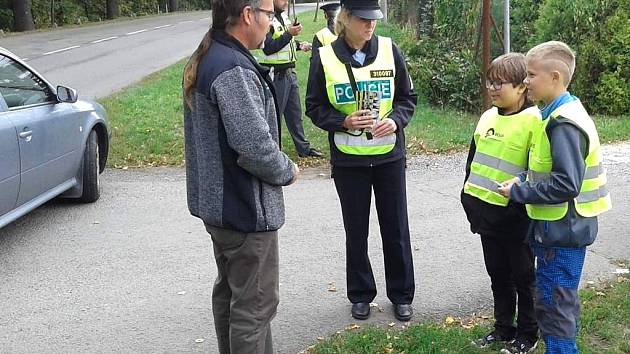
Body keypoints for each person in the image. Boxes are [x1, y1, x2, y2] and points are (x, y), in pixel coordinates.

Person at [182, 0, 299, 353]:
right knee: (255, 307)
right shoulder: (232, 68)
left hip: (223, 210)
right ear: (248, 15)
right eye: (267, 15)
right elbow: (254, 147)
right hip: (244, 212)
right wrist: (287, 169)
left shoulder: (213, 54)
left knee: (233, 296)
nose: (270, 23)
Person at [306, 0, 418, 322]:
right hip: (349, 161)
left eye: (374, 20)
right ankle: (360, 294)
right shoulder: (326, 56)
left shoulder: (388, 49)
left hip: (388, 157)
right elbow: (314, 106)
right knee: (356, 230)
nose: (371, 26)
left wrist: (396, 120)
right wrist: (343, 122)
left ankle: (401, 295)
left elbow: (407, 98)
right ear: (347, 19)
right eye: (364, 20)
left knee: (395, 227)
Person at [499, 41, 612, 354]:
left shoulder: (563, 123)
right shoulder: (553, 114)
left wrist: (518, 192)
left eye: (531, 75)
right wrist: (522, 179)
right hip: (556, 229)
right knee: (554, 301)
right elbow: (548, 171)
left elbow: (566, 184)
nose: (525, 82)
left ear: (555, 78)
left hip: (562, 233)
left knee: (554, 306)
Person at [460, 53, 540, 353]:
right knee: (498, 275)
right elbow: (473, 164)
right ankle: (503, 328)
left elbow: (538, 171)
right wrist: (468, 200)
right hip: (485, 216)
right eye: (489, 81)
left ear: (522, 87)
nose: (492, 88)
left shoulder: (535, 121)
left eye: (500, 82)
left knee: (524, 278)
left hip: (517, 218)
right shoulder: (487, 116)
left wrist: (518, 201)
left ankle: (528, 333)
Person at [252, 0, 324, 158]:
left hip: (290, 72)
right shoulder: (267, 19)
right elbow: (269, 47)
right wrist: (289, 33)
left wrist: (298, 45)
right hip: (276, 75)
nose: (285, 1)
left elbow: (284, 41)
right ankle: (273, 151)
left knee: (295, 114)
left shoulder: (283, 17)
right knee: (275, 115)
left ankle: (303, 149)